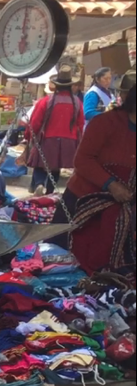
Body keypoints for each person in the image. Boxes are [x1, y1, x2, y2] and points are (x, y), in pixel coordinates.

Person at [64, 78, 134, 277]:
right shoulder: (104, 122)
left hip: (123, 211)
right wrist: (112, 185)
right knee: (69, 265)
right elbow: (82, 160)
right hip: (83, 202)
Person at [27, 70, 84, 196]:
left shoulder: (45, 101)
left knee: (41, 165)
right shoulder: (77, 103)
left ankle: (39, 184)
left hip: (48, 139)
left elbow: (35, 122)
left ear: (56, 85)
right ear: (70, 86)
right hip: (69, 141)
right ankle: (50, 191)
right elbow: (80, 125)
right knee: (56, 167)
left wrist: (30, 137)